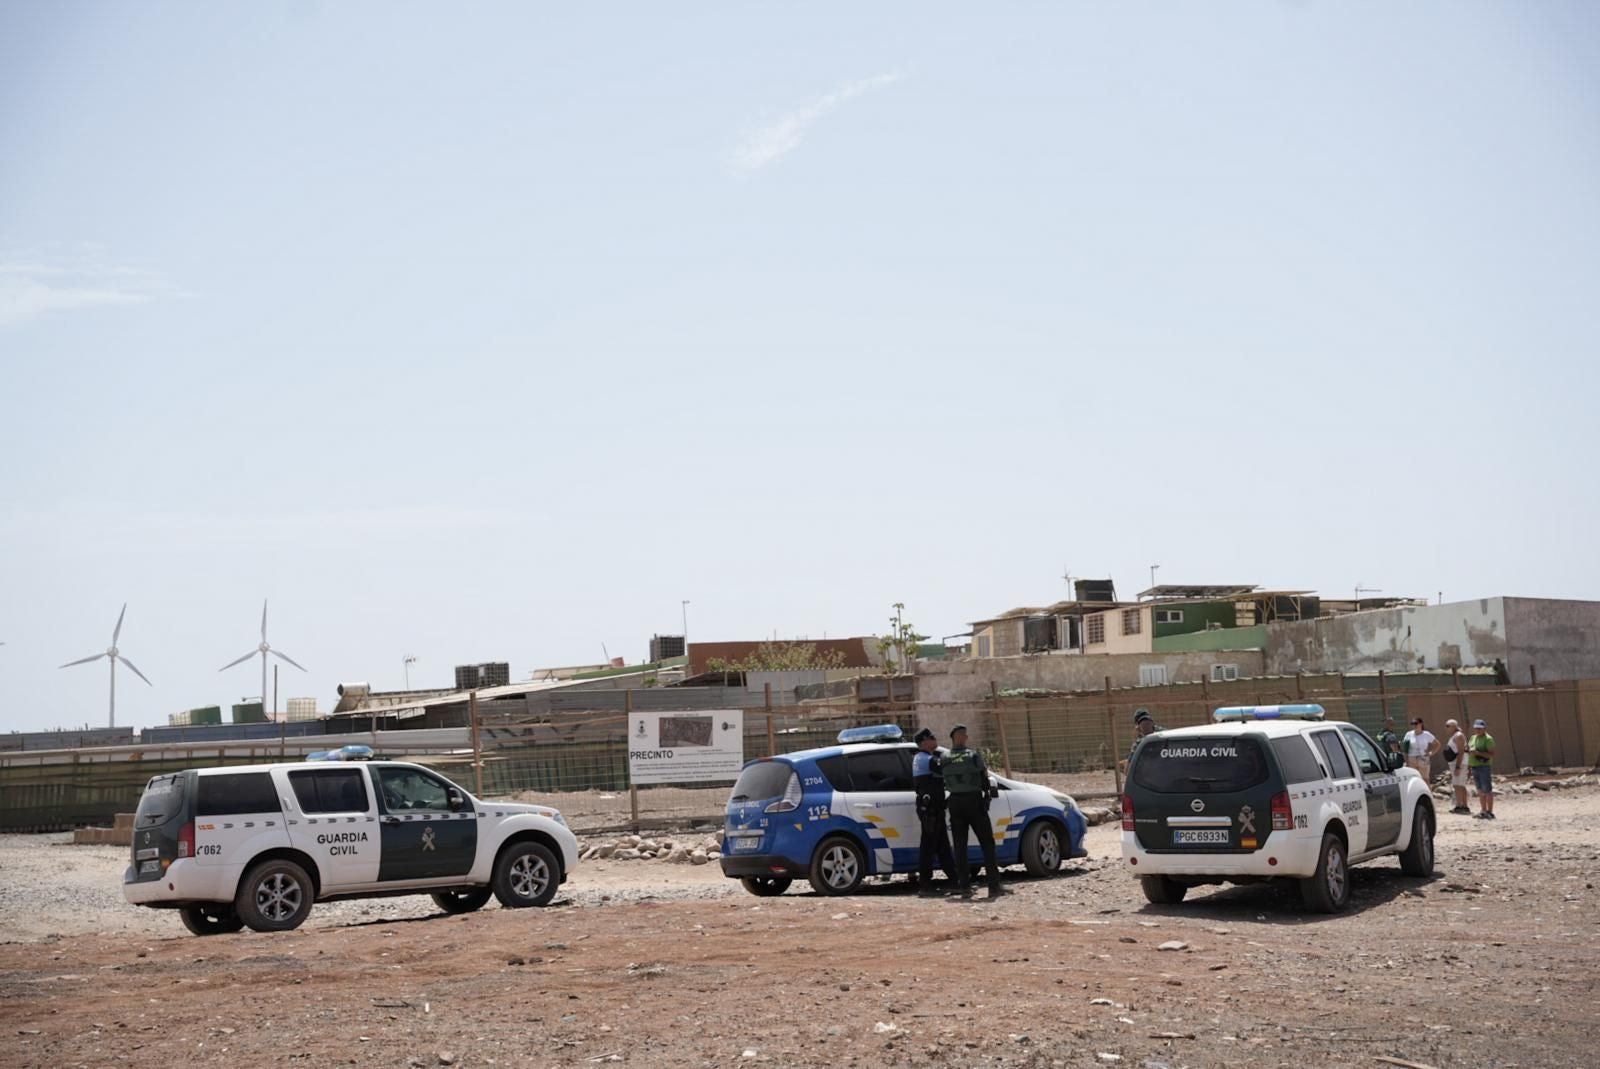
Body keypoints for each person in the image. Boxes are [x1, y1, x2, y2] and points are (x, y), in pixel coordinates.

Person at [941, 724, 1003, 899]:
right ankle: (994, 887)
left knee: (960, 846)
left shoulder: (944, 757)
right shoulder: (973, 755)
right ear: (962, 737)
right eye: (964, 735)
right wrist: (986, 797)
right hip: (973, 801)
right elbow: (985, 778)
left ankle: (965, 888)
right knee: (987, 844)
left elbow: (942, 778)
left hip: (955, 802)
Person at [911, 727, 956, 896]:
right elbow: (944, 769)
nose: (935, 739)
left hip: (933, 808)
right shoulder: (926, 759)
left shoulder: (922, 758)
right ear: (924, 742)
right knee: (929, 847)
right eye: (932, 737)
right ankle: (925, 885)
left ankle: (954, 880)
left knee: (942, 845)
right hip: (930, 809)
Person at [1468, 719, 1497, 820]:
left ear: (1484, 728)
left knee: (1487, 790)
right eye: (1476, 728)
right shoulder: (1473, 738)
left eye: (1480, 728)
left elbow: (1491, 754)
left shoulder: (1488, 739)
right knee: (1480, 790)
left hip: (1484, 767)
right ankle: (1483, 810)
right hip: (1474, 766)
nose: (1478, 730)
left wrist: (1478, 753)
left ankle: (1490, 812)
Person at [1444, 718, 1470, 814]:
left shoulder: (1458, 736)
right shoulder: (1454, 736)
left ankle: (1460, 805)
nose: (1446, 728)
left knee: (1458, 785)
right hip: (1455, 763)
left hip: (1459, 763)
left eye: (1448, 726)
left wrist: (1458, 766)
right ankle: (1463, 805)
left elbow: (1461, 751)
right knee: (1459, 784)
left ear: (1454, 727)